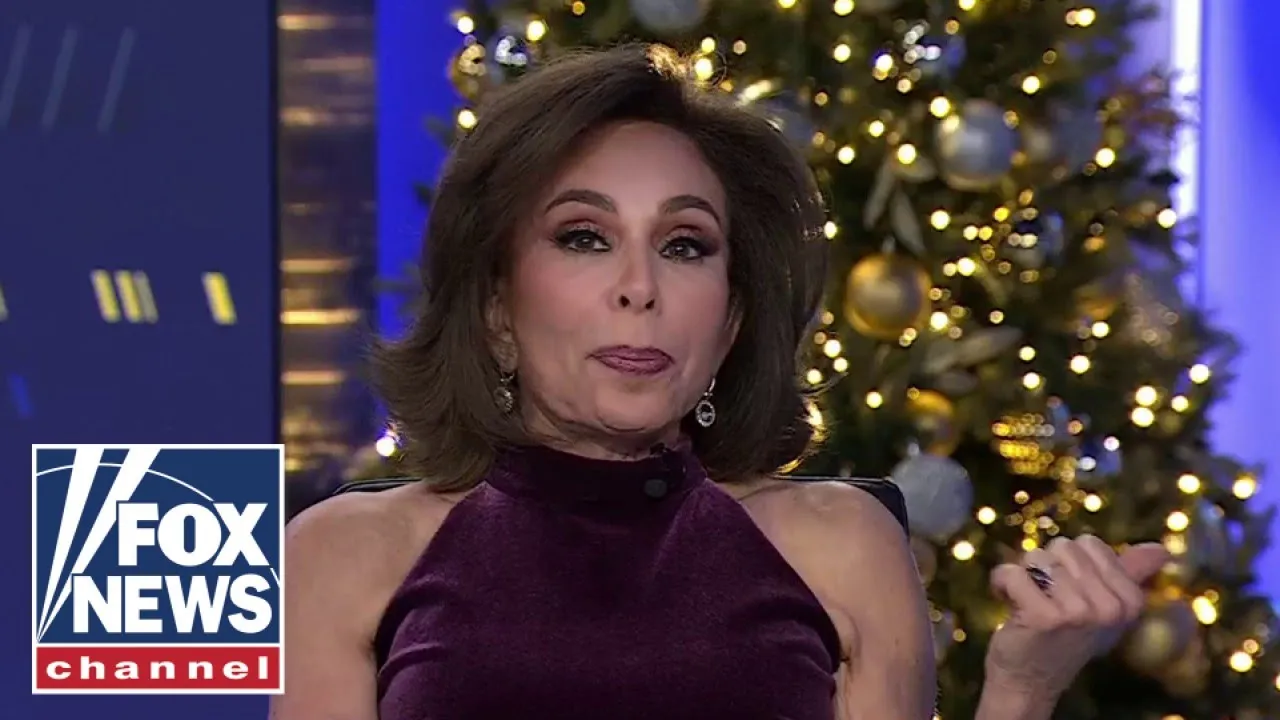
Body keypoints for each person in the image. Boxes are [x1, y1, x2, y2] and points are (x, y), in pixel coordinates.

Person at [272, 44, 1169, 720]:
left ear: (731, 322)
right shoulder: (342, 555)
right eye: (584, 237)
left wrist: (1021, 690)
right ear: (496, 308)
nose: (640, 287)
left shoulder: (841, 545)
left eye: (684, 245)